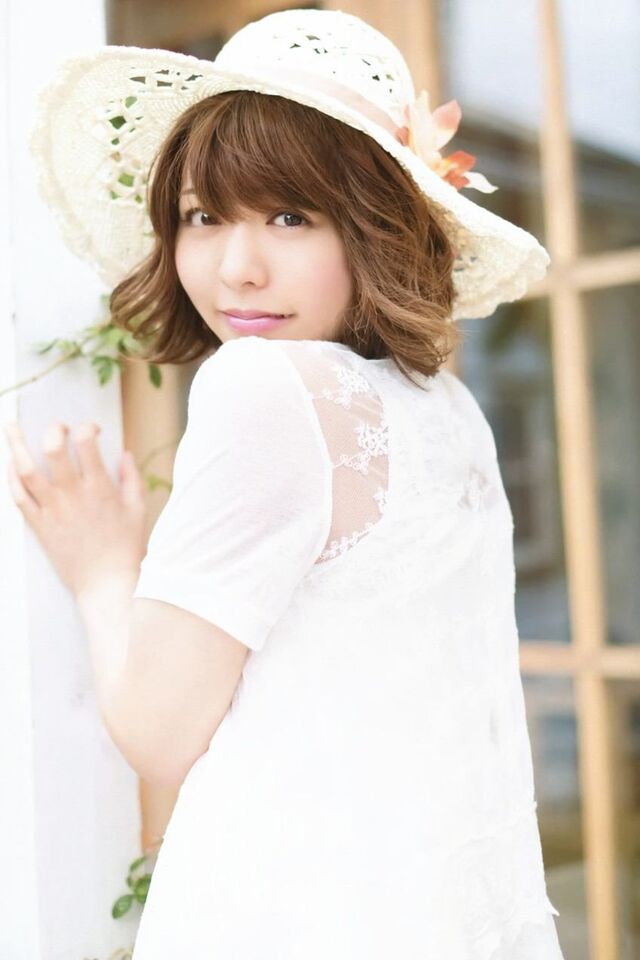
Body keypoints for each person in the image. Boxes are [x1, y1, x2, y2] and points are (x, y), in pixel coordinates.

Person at [6, 8, 565, 959]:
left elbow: (158, 732)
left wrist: (102, 568)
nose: (237, 268)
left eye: (290, 216)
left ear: (376, 226)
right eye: (203, 216)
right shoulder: (444, 409)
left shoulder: (264, 387)